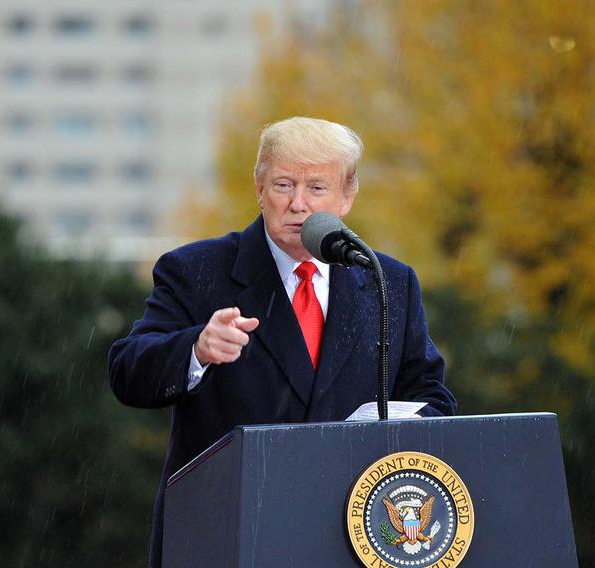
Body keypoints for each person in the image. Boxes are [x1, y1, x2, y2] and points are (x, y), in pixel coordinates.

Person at [108, 116, 456, 567]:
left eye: (316, 188)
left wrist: (389, 429)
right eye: (283, 185)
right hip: (229, 531)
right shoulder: (196, 271)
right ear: (259, 188)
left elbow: (431, 397)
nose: (298, 205)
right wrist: (196, 349)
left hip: (351, 535)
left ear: (346, 196)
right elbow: (127, 371)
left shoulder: (388, 280)